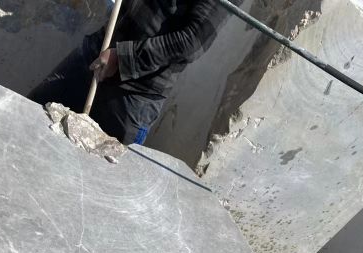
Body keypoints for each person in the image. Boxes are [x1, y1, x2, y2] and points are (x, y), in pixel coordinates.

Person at [29, 0, 220, 145]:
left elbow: (192, 41)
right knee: (29, 122)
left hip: (133, 96)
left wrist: (122, 59)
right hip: (95, 53)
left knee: (96, 177)